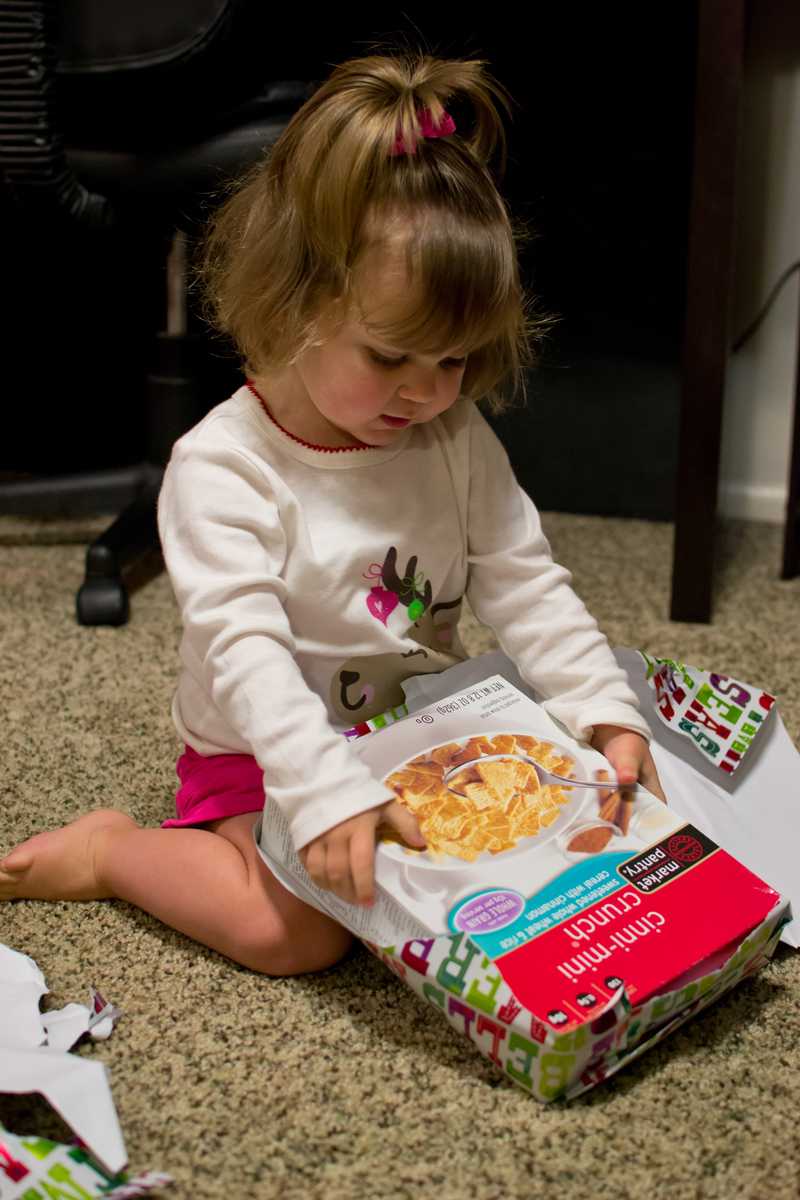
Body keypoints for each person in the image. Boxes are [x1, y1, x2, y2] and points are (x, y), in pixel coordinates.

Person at [0, 53, 663, 975]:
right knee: (299, 936)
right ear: (295, 297)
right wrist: (320, 789)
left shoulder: (454, 435)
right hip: (266, 753)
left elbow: (524, 579)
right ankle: (113, 852)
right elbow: (244, 654)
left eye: (456, 360)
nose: (430, 392)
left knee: (567, 845)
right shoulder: (223, 469)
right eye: (393, 356)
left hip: (423, 726)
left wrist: (601, 709)